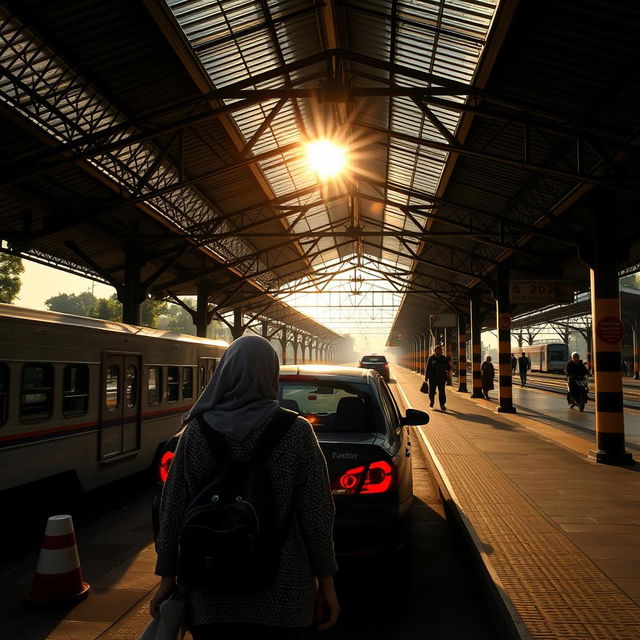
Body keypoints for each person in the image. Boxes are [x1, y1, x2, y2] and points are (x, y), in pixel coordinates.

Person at [152, 335, 340, 639]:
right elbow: (317, 514)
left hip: (209, 589)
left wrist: (166, 577)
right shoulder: (297, 433)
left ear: (225, 371)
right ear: (272, 374)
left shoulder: (196, 433)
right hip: (286, 594)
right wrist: (326, 582)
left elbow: (171, 509)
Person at [425, 344, 451, 410]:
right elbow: (428, 368)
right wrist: (426, 377)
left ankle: (442, 404)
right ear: (435, 351)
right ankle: (432, 401)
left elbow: (449, 368)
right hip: (432, 378)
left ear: (441, 351)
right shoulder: (431, 358)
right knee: (431, 391)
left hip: (441, 378)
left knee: (442, 392)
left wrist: (448, 377)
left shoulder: (444, 358)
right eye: (437, 350)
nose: (438, 351)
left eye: (440, 350)